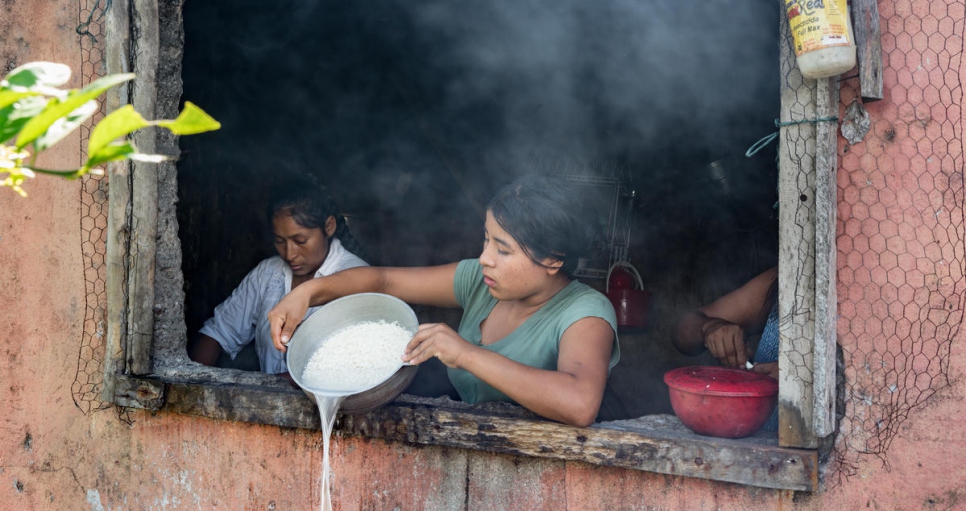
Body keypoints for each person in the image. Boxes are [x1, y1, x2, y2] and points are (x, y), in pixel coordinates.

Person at [268, 174, 621, 427]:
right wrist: (308, 292)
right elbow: (385, 280)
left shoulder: (585, 312)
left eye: (503, 249)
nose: (485, 258)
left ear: (553, 260)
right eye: (486, 240)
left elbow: (579, 403)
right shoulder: (480, 282)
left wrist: (466, 353)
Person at [188, 179, 368, 377]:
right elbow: (218, 332)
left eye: (301, 241)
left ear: (329, 227)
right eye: (280, 241)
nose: (290, 254)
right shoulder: (268, 273)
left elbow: (343, 372)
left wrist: (266, 392)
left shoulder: (358, 277)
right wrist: (193, 381)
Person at [672, 266, 779, 430]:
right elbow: (682, 333)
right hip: (752, 436)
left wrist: (801, 378)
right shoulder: (782, 277)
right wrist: (709, 327)